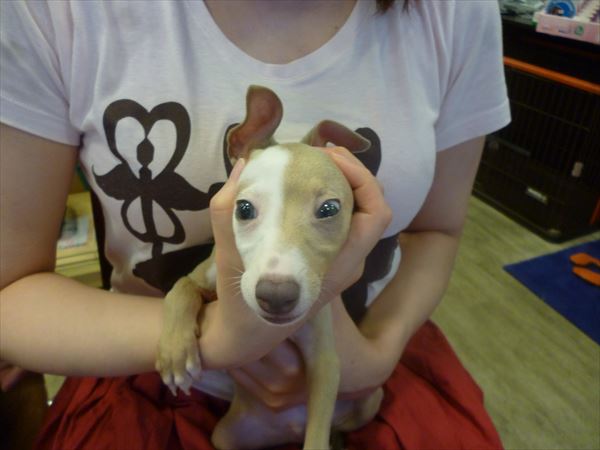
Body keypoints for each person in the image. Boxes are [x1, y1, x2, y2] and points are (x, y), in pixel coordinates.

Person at [0, 0, 511, 449]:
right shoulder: (58, 12)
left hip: (371, 358)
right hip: (153, 369)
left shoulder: (452, 11)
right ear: (240, 145)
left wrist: (375, 355)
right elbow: (10, 293)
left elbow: (437, 231)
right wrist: (220, 337)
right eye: (247, 210)